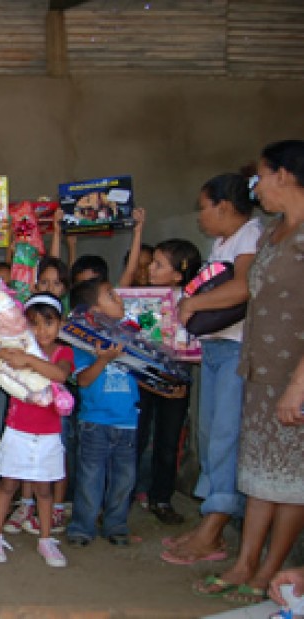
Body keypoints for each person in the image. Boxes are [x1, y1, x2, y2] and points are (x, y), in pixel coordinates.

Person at [193, 140, 304, 605]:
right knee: (257, 473)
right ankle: (245, 562)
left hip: (294, 374)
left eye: (260, 177)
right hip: (258, 367)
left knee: (291, 478)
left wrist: (298, 386)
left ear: (284, 175)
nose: (255, 187)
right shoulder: (271, 234)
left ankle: (271, 572)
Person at [162, 172, 262, 565]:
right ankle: (211, 519)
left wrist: (192, 306)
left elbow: (245, 287)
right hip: (216, 347)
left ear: (223, 206)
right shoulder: (222, 241)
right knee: (208, 432)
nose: (200, 216)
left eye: (204, 207)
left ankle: (216, 526)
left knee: (225, 435)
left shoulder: (251, 235)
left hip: (237, 347)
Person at [0, 292, 74, 568]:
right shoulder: (15, 348)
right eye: (34, 324)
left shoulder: (63, 352)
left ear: (60, 325)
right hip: (17, 430)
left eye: (49, 323)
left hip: (48, 434)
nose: (42, 330)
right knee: (8, 484)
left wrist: (28, 361)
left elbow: (60, 375)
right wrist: (4, 354)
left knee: (44, 490)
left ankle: (46, 540)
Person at [130, 237, 201, 525]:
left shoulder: (192, 302)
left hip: (176, 381)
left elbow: (194, 344)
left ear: (178, 274)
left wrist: (181, 375)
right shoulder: (141, 299)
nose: (150, 269)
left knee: (168, 443)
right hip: (141, 378)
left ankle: (161, 497)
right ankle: (122, 497)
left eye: (158, 264)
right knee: (135, 438)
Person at [63, 278, 138, 547]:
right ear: (93, 310)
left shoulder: (133, 339)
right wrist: (103, 359)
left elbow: (146, 376)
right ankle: (82, 526)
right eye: (110, 295)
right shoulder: (85, 344)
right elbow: (82, 381)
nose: (118, 299)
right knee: (90, 476)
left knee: (124, 478)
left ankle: (116, 525)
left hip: (128, 420)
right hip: (95, 420)